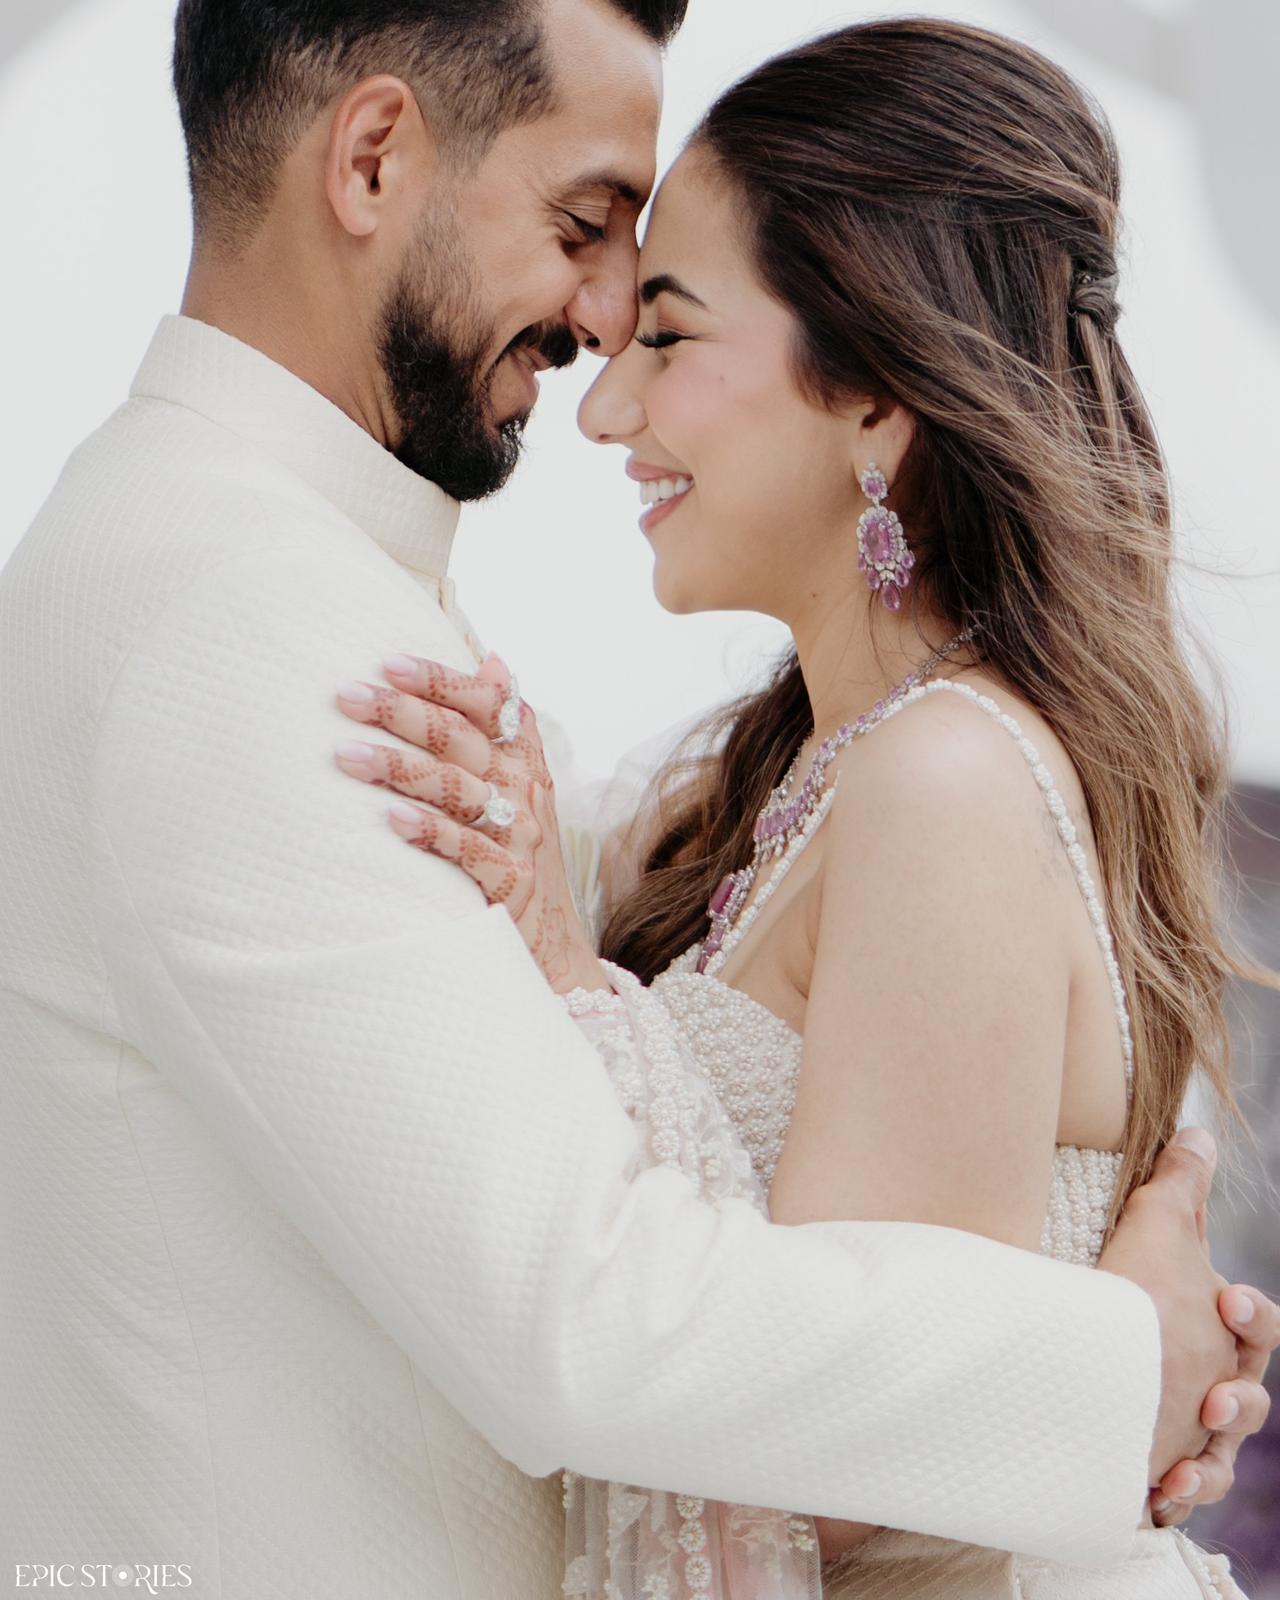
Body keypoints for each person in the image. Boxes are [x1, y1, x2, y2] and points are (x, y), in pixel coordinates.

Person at [0, 2, 1272, 1596]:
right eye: (583, 225)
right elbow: (582, 1307)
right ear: (374, 157)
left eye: (664, 318)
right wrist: (1109, 1371)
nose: (603, 341)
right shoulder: (236, 614)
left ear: (876, 394)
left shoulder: (907, 769)